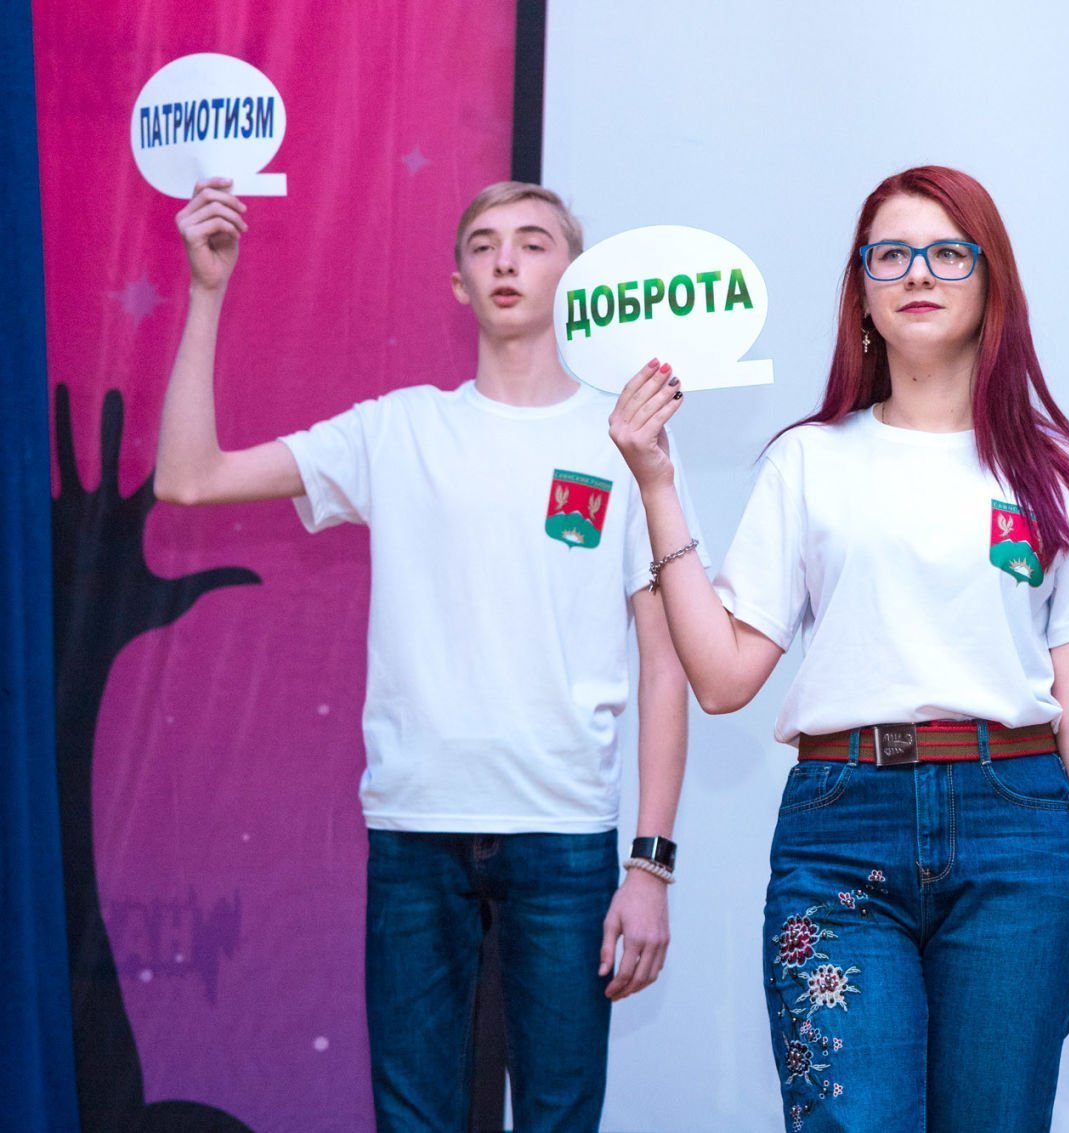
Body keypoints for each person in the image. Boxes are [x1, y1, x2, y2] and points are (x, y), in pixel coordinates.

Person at [610, 165, 1069, 1131]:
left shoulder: (1063, 477)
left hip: (1016, 834)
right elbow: (722, 677)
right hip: (840, 830)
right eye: (892, 255)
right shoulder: (807, 459)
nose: (919, 272)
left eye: (949, 253)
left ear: (992, 284)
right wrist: (656, 482)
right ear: (863, 292)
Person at [155, 177, 702, 1130]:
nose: (505, 259)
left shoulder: (625, 441)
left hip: (565, 834)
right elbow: (190, 477)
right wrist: (207, 292)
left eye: (533, 242)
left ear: (576, 278)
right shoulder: (397, 428)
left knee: (561, 1115)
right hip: (414, 829)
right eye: (484, 244)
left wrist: (649, 866)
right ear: (458, 283)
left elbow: (667, 665)